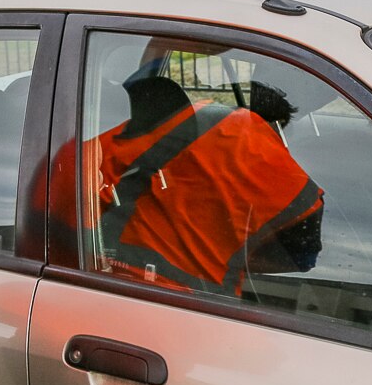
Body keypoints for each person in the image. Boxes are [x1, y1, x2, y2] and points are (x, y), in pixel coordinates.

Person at [52, 49, 325, 295]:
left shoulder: (86, 150)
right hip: (189, 301)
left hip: (97, 284)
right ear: (273, 127)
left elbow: (52, 225)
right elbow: (305, 252)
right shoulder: (252, 142)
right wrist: (237, 255)